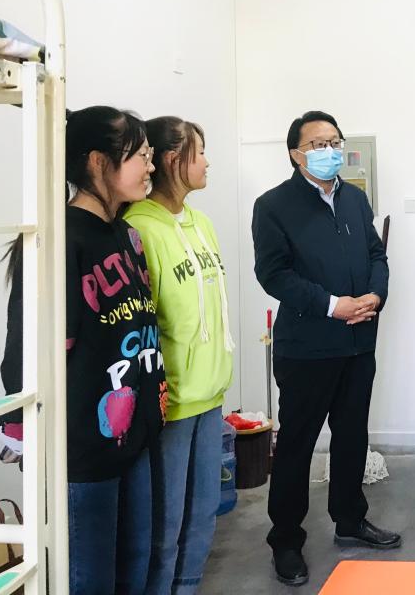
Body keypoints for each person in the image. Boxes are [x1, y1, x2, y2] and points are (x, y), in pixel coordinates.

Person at [252, 110, 398, 587]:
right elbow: (273, 274)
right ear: (296, 154)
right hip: (307, 348)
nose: (330, 150)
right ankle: (286, 540)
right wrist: (333, 306)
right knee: (297, 444)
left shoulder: (353, 198)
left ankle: (350, 520)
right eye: (318, 144)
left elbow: (376, 254)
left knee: (352, 436)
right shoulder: (273, 205)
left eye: (335, 141)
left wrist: (375, 294)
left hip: (357, 344)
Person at [124, 117, 234, 595]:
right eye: (200, 151)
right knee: (164, 525)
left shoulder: (201, 223)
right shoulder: (138, 228)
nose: (207, 162)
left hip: (209, 394)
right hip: (170, 403)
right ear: (173, 159)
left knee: (203, 514)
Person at [64, 106, 166, 594]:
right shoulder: (62, 239)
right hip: (85, 445)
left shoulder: (129, 236)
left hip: (137, 433)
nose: (150, 167)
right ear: (97, 162)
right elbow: (32, 351)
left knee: (136, 566)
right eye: (139, 156)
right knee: (92, 577)